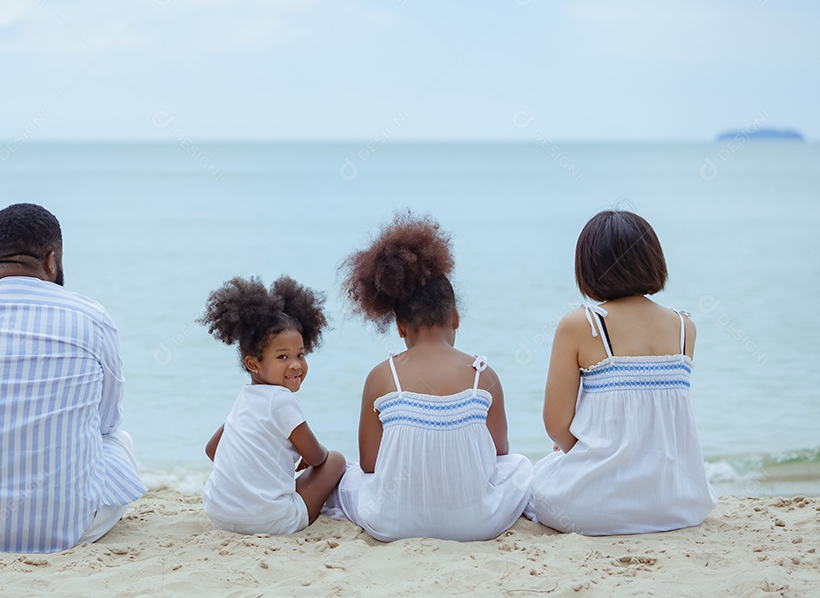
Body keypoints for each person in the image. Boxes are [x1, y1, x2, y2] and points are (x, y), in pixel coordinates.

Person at [0, 203, 147, 552]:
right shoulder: (93, 318)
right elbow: (106, 422)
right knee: (118, 441)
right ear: (51, 261)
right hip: (71, 528)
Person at [335, 212, 532, 542]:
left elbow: (370, 464)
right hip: (476, 525)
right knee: (520, 465)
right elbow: (499, 452)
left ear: (399, 327)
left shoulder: (383, 377)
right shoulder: (482, 375)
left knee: (348, 476)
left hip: (393, 524)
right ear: (455, 318)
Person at [526, 209, 717, 535]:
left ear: (588, 267)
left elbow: (556, 424)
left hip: (594, 510)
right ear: (653, 261)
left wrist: (591, 456)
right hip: (679, 503)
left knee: (531, 479)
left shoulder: (582, 324)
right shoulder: (685, 327)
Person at [200, 276, 345, 535]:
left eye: (300, 354)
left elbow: (212, 450)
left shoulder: (246, 397)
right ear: (253, 364)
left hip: (218, 512)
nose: (295, 364)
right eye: (282, 357)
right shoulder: (281, 399)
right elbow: (316, 457)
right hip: (269, 521)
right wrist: (311, 456)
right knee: (335, 459)